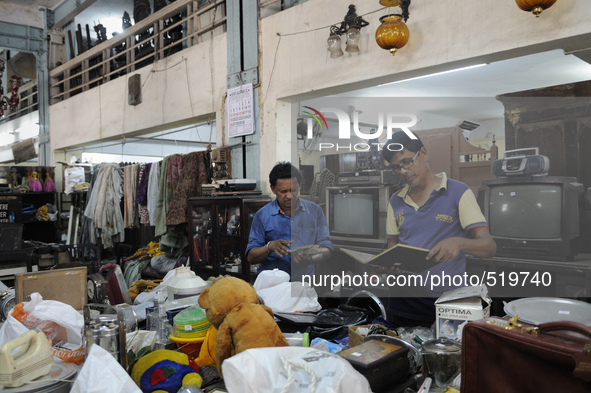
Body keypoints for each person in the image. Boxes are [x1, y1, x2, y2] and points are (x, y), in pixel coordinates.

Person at [382, 131, 496, 327]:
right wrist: (388, 265)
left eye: (407, 162)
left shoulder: (458, 192)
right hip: (403, 301)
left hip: (447, 301)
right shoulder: (396, 200)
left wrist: (459, 243)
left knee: (444, 356)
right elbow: (391, 249)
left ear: (423, 153)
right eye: (396, 168)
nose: (403, 172)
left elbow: (489, 246)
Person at [246, 162, 333, 282]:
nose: (289, 196)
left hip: (303, 284)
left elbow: (326, 247)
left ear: (300, 186)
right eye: (283, 191)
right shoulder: (262, 215)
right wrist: (269, 247)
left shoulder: (315, 211)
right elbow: (251, 256)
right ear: (273, 189)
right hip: (272, 285)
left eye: (293, 190)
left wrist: (311, 258)